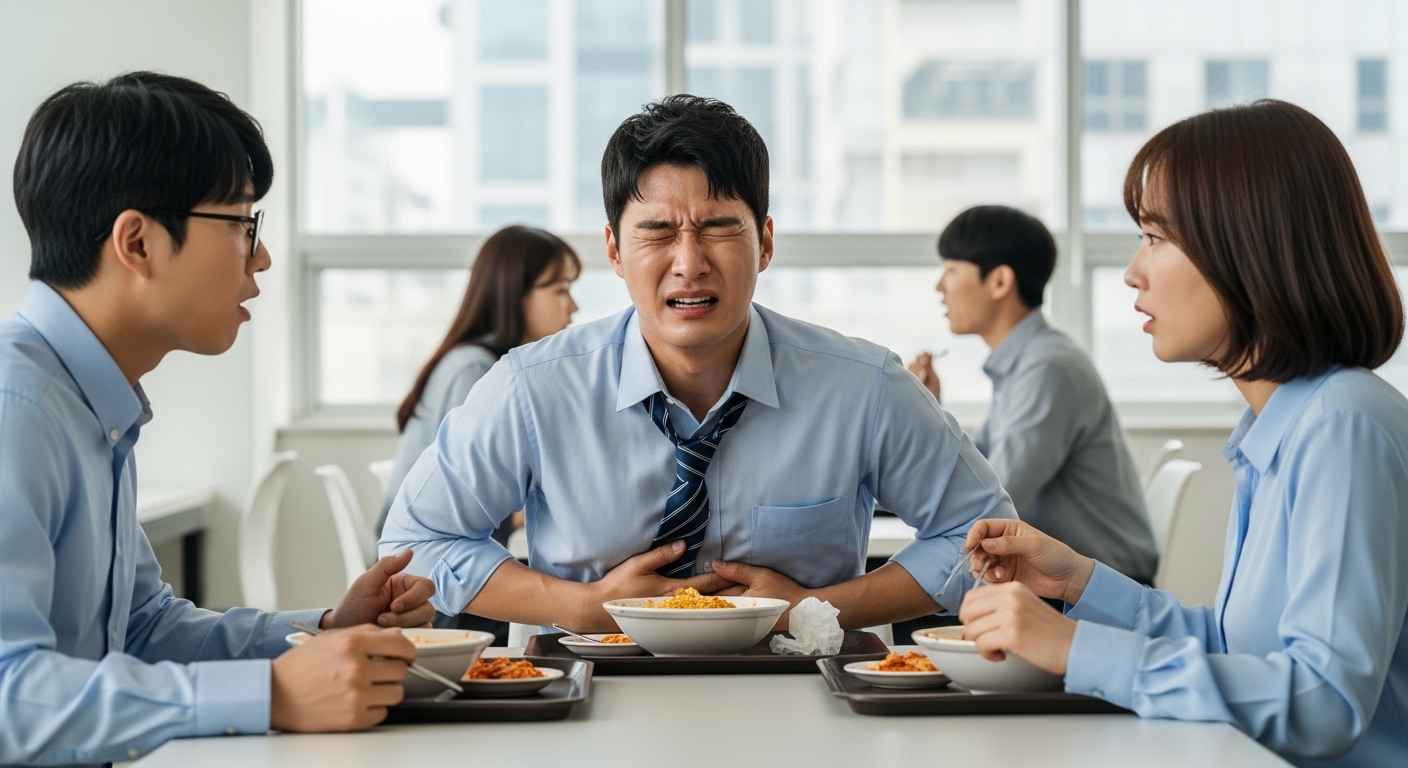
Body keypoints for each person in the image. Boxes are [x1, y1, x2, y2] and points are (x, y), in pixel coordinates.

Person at [381, 94, 1017, 633]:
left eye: (718, 228)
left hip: (804, 695)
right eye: (658, 232)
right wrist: (580, 606)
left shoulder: (865, 386)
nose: (689, 262)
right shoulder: (532, 387)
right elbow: (414, 547)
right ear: (614, 249)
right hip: (588, 696)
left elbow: (988, 538)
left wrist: (817, 608)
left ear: (765, 242)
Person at [0, 73, 438, 767]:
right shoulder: (14, 411)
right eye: (241, 223)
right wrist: (267, 693)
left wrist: (323, 631)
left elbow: (141, 628)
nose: (259, 257)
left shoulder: (89, 403)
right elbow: (7, 696)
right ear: (137, 243)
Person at [956, 100, 1408, 767]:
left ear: (1248, 242)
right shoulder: (1280, 421)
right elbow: (1237, 649)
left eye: (1155, 237)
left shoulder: (1343, 425)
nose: (1133, 272)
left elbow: (1324, 700)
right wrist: (1079, 582)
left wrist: (1075, 648)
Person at [907, 206, 1157, 582]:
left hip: (1097, 592)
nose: (939, 286)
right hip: (1066, 582)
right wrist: (930, 411)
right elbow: (981, 475)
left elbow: (992, 503)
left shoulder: (1047, 368)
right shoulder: (1027, 361)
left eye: (952, 269)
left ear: (999, 282)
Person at [379, 225, 580, 533]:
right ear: (514, 294)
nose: (573, 307)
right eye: (561, 289)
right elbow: (465, 506)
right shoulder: (474, 370)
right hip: (422, 559)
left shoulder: (496, 366)